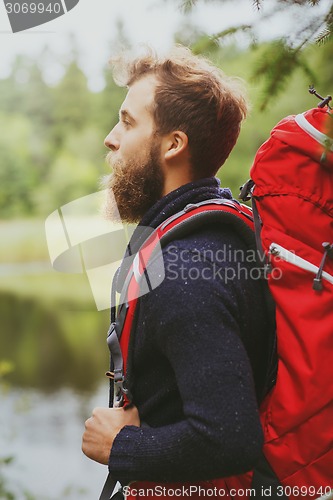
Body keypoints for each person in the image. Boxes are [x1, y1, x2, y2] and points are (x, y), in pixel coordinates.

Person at [82, 46, 273, 498]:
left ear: (173, 144)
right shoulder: (211, 231)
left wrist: (121, 445)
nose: (111, 137)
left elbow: (230, 437)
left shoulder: (186, 269)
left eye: (128, 122)